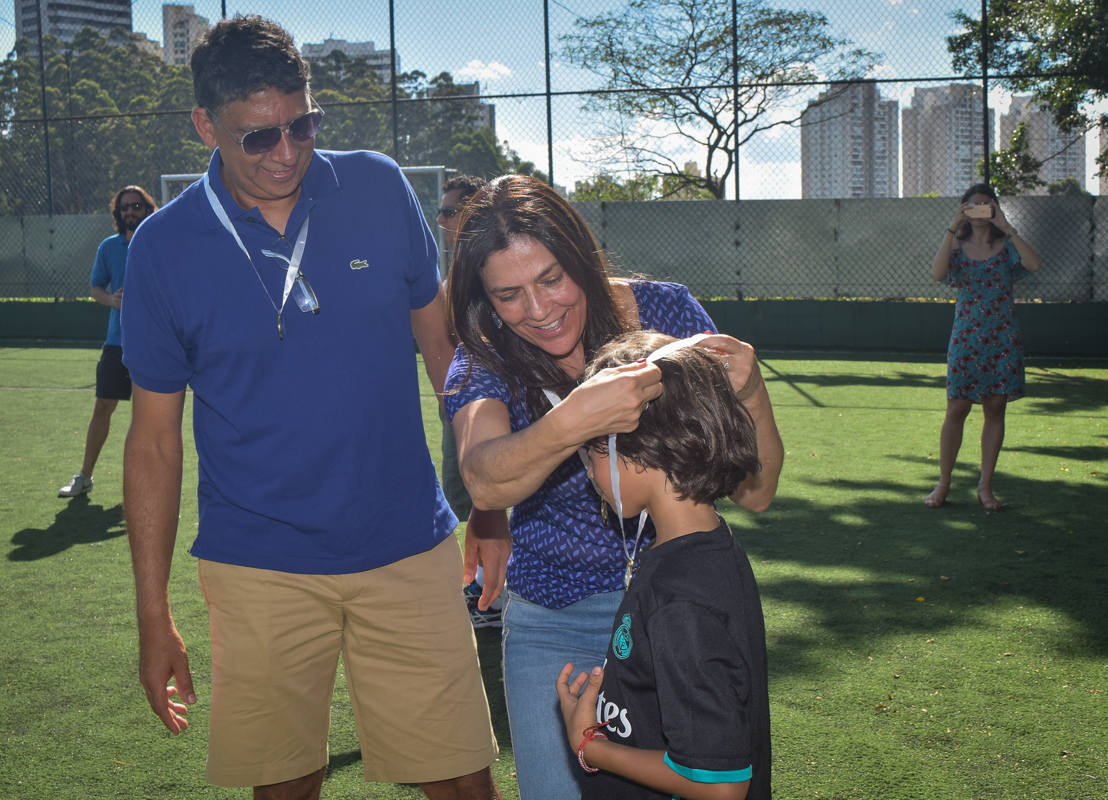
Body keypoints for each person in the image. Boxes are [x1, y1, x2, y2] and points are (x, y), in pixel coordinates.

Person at [120, 16, 499, 800]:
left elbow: (447, 357)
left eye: (302, 126)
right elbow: (153, 441)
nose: (286, 153)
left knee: (465, 784)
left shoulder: (378, 187)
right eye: (258, 137)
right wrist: (153, 613)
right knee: (283, 787)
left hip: (406, 544)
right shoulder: (161, 246)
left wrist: (489, 506)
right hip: (258, 562)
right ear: (205, 127)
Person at [443, 174, 783, 799]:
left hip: (680, 609)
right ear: (485, 300)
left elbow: (755, 493)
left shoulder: (666, 314)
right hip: (556, 619)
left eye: (552, 279)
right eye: (509, 295)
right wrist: (574, 420)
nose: (538, 310)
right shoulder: (485, 354)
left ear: (582, 258)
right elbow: (484, 479)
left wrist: (753, 392)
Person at [557, 330, 770, 800]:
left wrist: (591, 745)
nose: (588, 471)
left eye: (592, 452)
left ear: (638, 455)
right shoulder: (703, 548)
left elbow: (721, 786)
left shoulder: (681, 600)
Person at [925, 183, 1041, 511]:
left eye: (985, 205)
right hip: (966, 340)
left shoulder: (1007, 247)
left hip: (1002, 340)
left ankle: (985, 487)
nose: (978, 211)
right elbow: (937, 274)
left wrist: (1007, 226)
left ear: (994, 208)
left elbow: (1034, 264)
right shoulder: (956, 247)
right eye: (971, 205)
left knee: (995, 410)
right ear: (963, 210)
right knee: (956, 410)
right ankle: (943, 483)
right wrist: (952, 227)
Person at [435, 174, 507, 627]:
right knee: (467, 489)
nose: (442, 219)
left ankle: (492, 596)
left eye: (450, 210)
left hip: (488, 390)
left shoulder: (489, 261)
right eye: (441, 211)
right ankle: (486, 587)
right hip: (462, 388)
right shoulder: (457, 265)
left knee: (490, 489)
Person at [57, 185, 155, 498]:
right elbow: (96, 287)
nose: (131, 211)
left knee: (149, 416)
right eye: (125, 207)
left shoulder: (158, 241)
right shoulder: (109, 247)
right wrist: (111, 299)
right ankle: (84, 476)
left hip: (154, 344)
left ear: (147, 208)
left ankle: (147, 483)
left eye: (136, 206)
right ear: (117, 212)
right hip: (117, 342)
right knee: (103, 407)